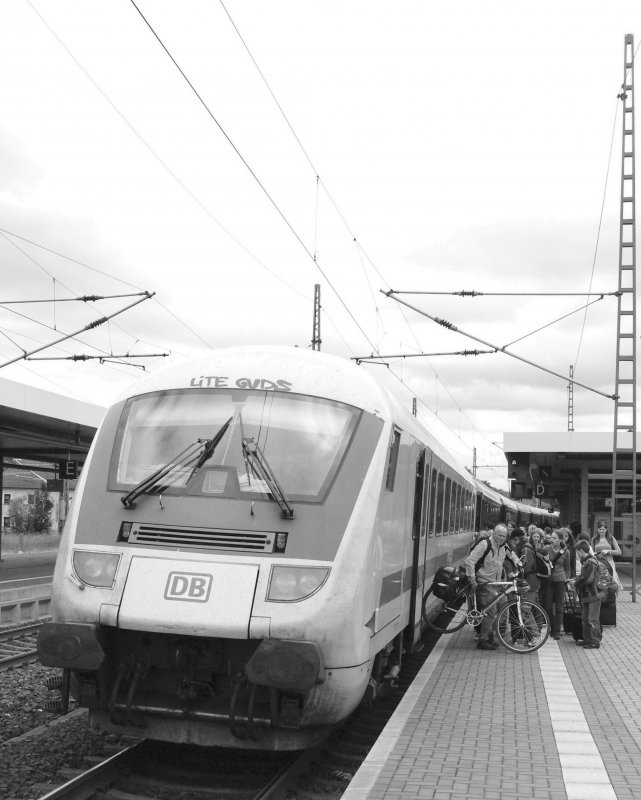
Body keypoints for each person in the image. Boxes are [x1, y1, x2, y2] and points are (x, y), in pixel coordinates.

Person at [465, 523, 511, 651]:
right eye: (500, 535)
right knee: (490, 613)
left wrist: (520, 565)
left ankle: (491, 635)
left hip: (497, 584)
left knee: (503, 607)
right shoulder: (485, 544)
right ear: (494, 534)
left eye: (504, 536)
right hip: (485, 583)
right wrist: (472, 579)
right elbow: (469, 561)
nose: (502, 538)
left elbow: (513, 556)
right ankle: (483, 640)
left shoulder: (504, 546)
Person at [569, 540, 602, 649]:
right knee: (585, 618)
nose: (576, 555)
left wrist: (575, 583)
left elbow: (587, 578)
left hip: (593, 595)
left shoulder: (590, 562)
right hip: (587, 595)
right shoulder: (587, 562)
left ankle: (594, 641)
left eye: (577, 552)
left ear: (581, 551)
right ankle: (587, 639)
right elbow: (584, 577)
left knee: (592, 619)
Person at [542, 530, 571, 638]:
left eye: (554, 538)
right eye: (551, 538)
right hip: (549, 580)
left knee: (559, 608)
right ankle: (552, 626)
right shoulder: (546, 549)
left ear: (560, 540)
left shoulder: (566, 551)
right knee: (548, 606)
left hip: (560, 580)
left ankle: (557, 630)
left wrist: (566, 579)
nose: (552, 540)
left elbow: (568, 568)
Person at [592, 520, 623, 591]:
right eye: (600, 529)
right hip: (598, 563)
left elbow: (619, 552)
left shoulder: (610, 538)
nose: (601, 531)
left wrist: (609, 551)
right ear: (597, 529)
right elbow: (592, 552)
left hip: (609, 562)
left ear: (606, 530)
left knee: (612, 582)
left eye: (603, 529)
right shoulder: (594, 539)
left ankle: (612, 598)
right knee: (599, 583)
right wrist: (595, 553)